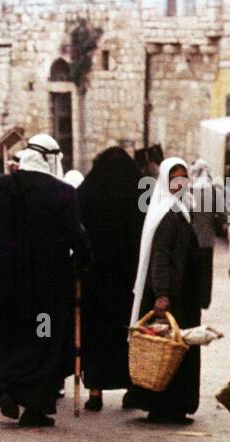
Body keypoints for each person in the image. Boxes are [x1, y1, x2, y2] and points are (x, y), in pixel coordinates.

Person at [0, 135, 84, 427]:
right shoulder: (63, 192)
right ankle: (34, 406)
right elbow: (76, 235)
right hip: (48, 285)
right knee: (42, 341)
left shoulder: (4, 187)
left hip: (10, 280)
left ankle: (6, 389)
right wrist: (85, 261)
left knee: (13, 336)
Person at [124, 157, 203, 424]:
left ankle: (174, 406)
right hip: (171, 298)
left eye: (184, 178)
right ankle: (165, 406)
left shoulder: (180, 210)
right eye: (174, 178)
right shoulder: (166, 216)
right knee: (170, 349)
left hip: (182, 296)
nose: (180, 183)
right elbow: (160, 258)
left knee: (178, 350)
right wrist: (161, 293)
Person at [77, 147, 145, 411]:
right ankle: (132, 388)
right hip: (129, 280)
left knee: (95, 334)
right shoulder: (140, 191)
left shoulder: (87, 191)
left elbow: (78, 231)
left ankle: (95, 391)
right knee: (127, 333)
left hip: (95, 279)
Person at [187, 159, 219, 312]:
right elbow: (219, 215)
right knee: (206, 271)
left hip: (192, 238)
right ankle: (204, 300)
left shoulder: (189, 190)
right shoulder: (212, 190)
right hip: (207, 238)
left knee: (193, 271)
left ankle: (194, 299)